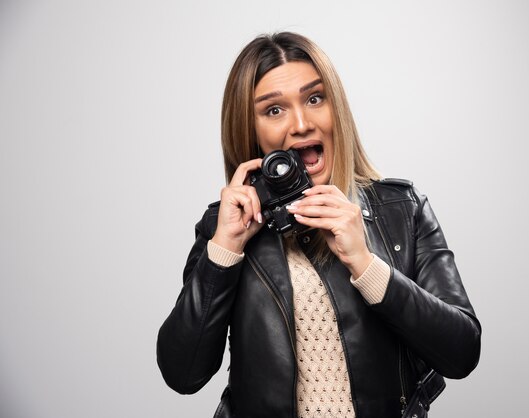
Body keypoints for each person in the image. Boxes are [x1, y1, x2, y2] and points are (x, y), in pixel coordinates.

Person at [157, 32, 481, 418]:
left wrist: (365, 264)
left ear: (335, 108)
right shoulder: (225, 227)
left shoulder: (402, 209)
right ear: (251, 129)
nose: (300, 123)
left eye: (314, 98)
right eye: (273, 110)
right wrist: (225, 248)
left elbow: (461, 353)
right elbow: (183, 373)